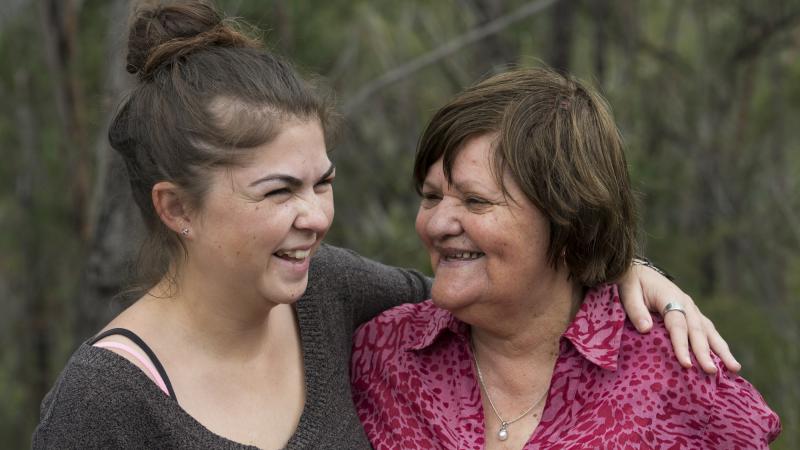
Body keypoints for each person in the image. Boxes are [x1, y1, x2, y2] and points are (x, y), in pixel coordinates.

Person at [33, 2, 739, 449]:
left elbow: (499, 285)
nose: (315, 217)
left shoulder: (330, 296)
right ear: (176, 208)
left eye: (323, 183)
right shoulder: (103, 402)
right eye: (279, 191)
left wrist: (625, 268)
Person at [351, 67, 781, 449]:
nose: (437, 223)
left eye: (475, 200)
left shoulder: (679, 380)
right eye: (430, 197)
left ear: (566, 219)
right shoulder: (380, 354)